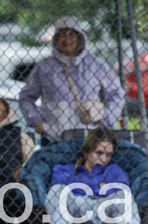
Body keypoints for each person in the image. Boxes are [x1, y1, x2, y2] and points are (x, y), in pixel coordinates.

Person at [45, 127, 148, 224]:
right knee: (57, 191)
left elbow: (123, 187)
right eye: (99, 153)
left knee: (125, 196)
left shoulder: (113, 170)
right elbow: (59, 181)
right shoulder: (67, 169)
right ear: (88, 150)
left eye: (108, 154)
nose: (104, 158)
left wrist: (81, 187)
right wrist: (100, 186)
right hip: (77, 207)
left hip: (104, 209)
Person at [19, 16, 124, 144]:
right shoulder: (44, 67)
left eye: (72, 34)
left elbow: (117, 94)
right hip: (53, 138)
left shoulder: (96, 65)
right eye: (62, 34)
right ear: (55, 39)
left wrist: (105, 121)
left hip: (90, 139)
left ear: (80, 38)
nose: (67, 39)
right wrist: (36, 121)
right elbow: (26, 97)